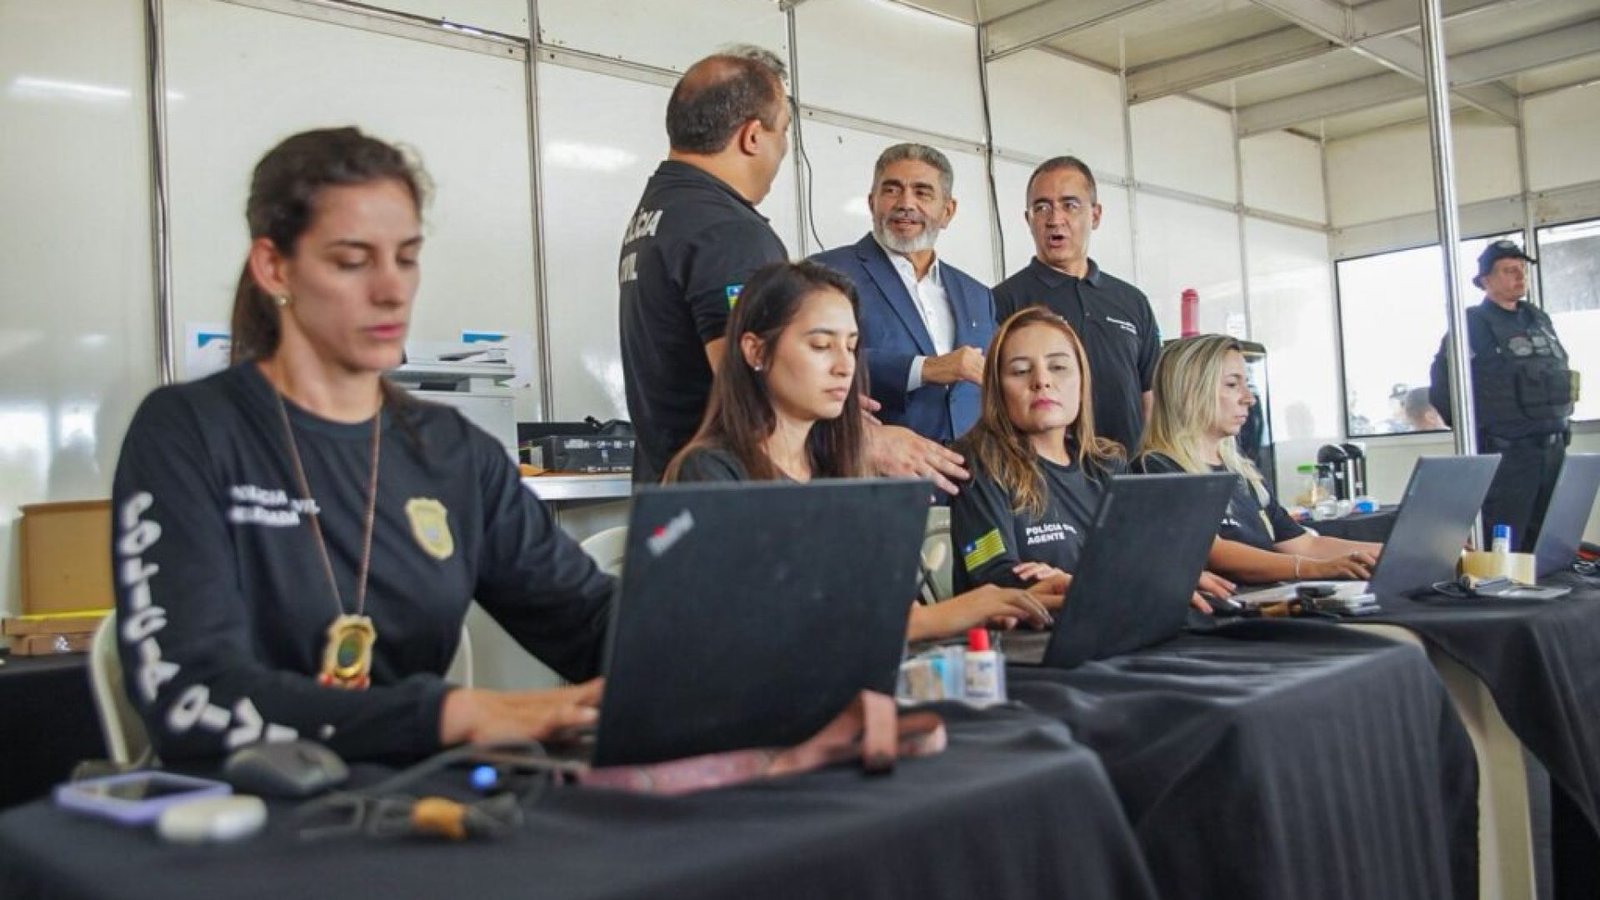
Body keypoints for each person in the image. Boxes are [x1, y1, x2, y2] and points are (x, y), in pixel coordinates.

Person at [110, 128, 611, 763]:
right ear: (274, 267)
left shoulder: (453, 453)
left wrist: (730, 651)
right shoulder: (190, 433)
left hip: (420, 811)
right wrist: (454, 714)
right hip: (243, 821)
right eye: (352, 261)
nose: (391, 290)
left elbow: (588, 620)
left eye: (406, 257)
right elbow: (191, 695)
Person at [618, 48, 966, 492]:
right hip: (737, 493)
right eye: (783, 132)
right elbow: (757, 382)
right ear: (751, 137)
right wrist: (869, 439)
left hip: (673, 487)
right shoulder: (728, 231)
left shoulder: (660, 212)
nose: (783, 149)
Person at [664, 261, 1055, 639]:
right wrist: (956, 613)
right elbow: (753, 629)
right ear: (756, 351)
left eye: (851, 347)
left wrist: (1001, 603)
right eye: (820, 345)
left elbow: (894, 607)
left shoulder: (841, 472)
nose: (843, 366)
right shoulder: (710, 474)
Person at [950, 307, 1232, 609]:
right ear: (997, 389)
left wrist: (1169, 572)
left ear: (1083, 380)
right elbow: (992, 574)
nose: (1042, 381)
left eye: (1058, 367)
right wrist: (1074, 585)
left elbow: (1137, 558)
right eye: (1020, 371)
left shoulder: (1107, 463)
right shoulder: (978, 462)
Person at [1139, 335, 1382, 583]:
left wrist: (1386, 552)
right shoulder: (1157, 469)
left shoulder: (1244, 473)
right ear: (1189, 391)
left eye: (1246, 385)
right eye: (1232, 385)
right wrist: (1314, 569)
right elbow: (1215, 552)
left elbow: (1306, 545)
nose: (1249, 398)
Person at [810, 143, 994, 445]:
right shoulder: (824, 274)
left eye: (922, 192)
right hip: (872, 472)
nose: (905, 203)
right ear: (872, 203)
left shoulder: (978, 295)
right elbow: (807, 362)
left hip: (973, 477)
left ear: (948, 211)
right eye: (892, 190)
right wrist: (927, 368)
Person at [992, 157, 1160, 456]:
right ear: (1028, 219)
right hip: (1046, 481)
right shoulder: (1002, 301)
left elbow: (1151, 401)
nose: (1055, 219)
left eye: (1070, 205)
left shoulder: (1132, 301)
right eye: (1042, 207)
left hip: (1128, 476)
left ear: (1095, 215)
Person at [1429, 239, 1575, 552]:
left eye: (1522, 269)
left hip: (1552, 450)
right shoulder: (1472, 324)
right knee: (1506, 545)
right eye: (1509, 270)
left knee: (1548, 542)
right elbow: (1443, 385)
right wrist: (1478, 436)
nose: (1519, 276)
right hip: (1508, 456)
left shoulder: (1538, 319)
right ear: (1486, 281)